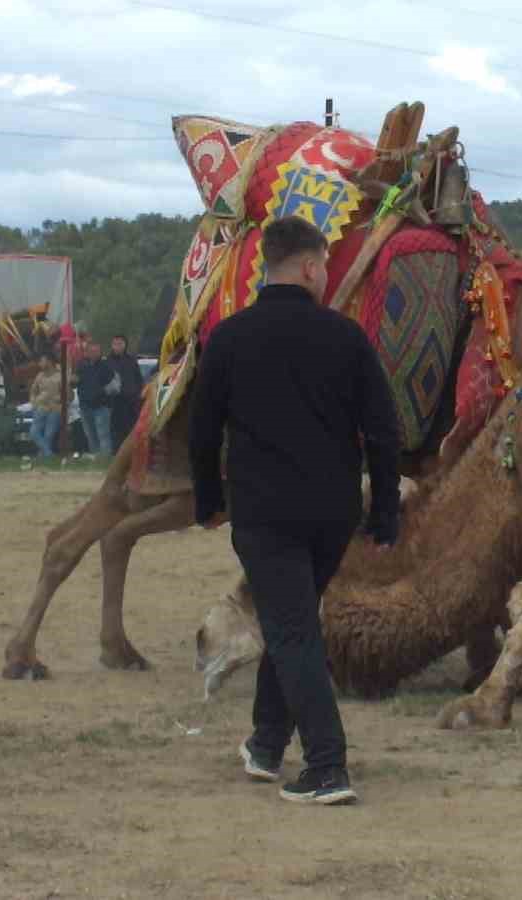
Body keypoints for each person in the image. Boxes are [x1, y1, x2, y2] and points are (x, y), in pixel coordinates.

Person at [190, 216, 401, 806]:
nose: (327, 275)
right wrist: (385, 511)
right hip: (332, 513)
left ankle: (328, 766)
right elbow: (384, 433)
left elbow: (203, 434)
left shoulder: (229, 338)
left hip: (264, 512)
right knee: (294, 621)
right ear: (309, 267)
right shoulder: (347, 337)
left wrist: (208, 501)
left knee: (290, 629)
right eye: (326, 265)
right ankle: (264, 745)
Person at [74, 341, 115, 456]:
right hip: (85, 407)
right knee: (91, 436)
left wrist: (101, 393)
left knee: (103, 435)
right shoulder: (81, 366)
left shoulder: (106, 366)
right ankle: (96, 459)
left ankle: (105, 459)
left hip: (101, 407)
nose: (94, 353)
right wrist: (73, 379)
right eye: (91, 351)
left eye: (97, 351)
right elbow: (75, 381)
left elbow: (113, 386)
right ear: (86, 352)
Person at [107, 334, 144, 452]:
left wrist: (139, 395)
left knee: (132, 430)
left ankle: (133, 453)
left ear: (125, 345)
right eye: (115, 344)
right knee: (117, 431)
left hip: (132, 401)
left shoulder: (131, 360)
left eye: (120, 344)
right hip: (115, 402)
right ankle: (116, 455)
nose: (117, 347)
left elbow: (139, 380)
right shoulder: (108, 361)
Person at [29, 353, 63, 458]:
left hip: (55, 409)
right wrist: (33, 402)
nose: (40, 364)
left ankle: (43, 457)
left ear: (49, 362)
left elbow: (68, 395)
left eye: (42, 361)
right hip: (41, 408)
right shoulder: (39, 376)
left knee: (49, 435)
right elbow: (33, 391)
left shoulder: (60, 376)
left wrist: (61, 398)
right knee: (34, 432)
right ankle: (49, 455)